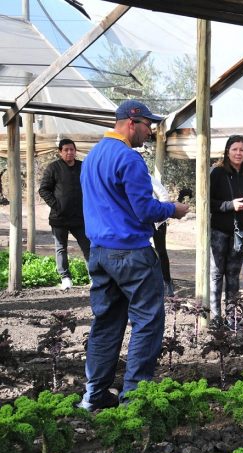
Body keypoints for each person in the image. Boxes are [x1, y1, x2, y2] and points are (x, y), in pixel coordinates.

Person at [78, 100, 189, 411]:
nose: (149, 132)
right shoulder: (129, 158)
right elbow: (145, 210)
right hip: (131, 254)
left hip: (99, 253)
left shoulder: (92, 157)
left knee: (106, 322)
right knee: (147, 322)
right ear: (131, 122)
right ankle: (134, 398)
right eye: (147, 126)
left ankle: (94, 395)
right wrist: (173, 210)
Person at [210, 135, 243, 324]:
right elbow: (209, 203)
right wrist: (231, 205)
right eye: (235, 149)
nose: (238, 153)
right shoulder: (218, 173)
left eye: (242, 150)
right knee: (216, 274)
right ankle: (215, 317)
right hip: (219, 231)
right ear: (227, 151)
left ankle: (232, 317)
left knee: (233, 275)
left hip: (241, 233)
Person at [38, 138, 91, 290]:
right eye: (66, 150)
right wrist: (57, 206)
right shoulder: (53, 168)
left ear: (75, 151)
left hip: (80, 217)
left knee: (87, 246)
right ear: (60, 152)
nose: (69, 152)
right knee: (61, 248)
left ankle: (93, 277)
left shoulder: (83, 166)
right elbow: (44, 189)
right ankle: (65, 278)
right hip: (59, 217)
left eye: (72, 150)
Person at [151, 175, 175, 297]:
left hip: (157, 220)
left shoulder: (147, 176)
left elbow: (163, 194)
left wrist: (161, 214)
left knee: (161, 251)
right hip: (139, 221)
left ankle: (167, 282)